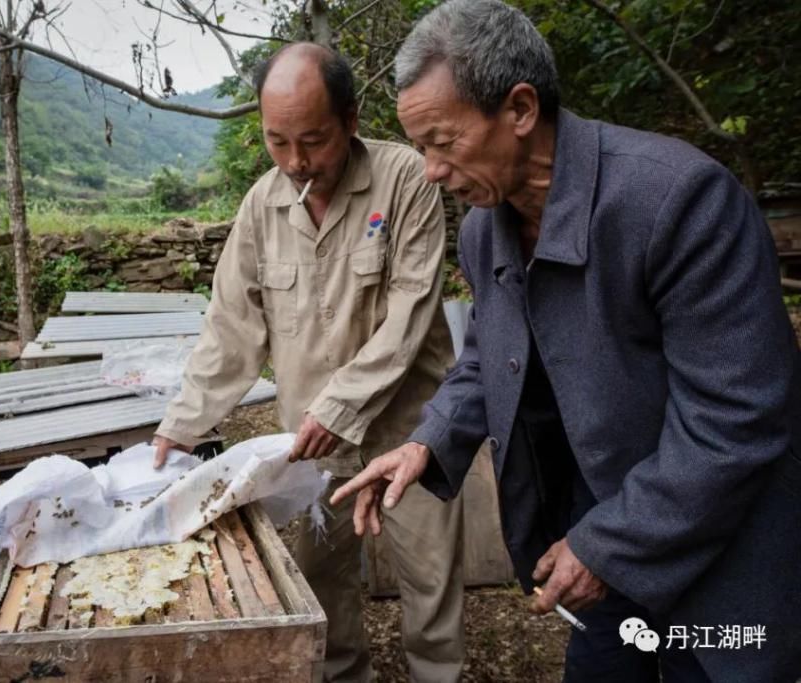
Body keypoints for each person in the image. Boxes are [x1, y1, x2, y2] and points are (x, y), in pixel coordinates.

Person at [330, 2, 801, 682]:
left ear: (519, 109)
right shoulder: (484, 227)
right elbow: (491, 355)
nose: (429, 170)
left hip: (718, 541)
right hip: (603, 525)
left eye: (442, 140)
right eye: (420, 147)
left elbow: (736, 420)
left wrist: (608, 543)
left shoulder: (677, 201)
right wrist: (428, 440)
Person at [153, 43, 466, 682]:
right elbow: (229, 331)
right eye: (278, 143)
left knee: (431, 585)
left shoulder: (405, 179)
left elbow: (409, 316)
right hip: (313, 447)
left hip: (413, 434)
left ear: (350, 120)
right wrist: (179, 428)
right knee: (318, 586)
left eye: (314, 141)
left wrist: (339, 405)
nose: (298, 163)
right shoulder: (262, 208)